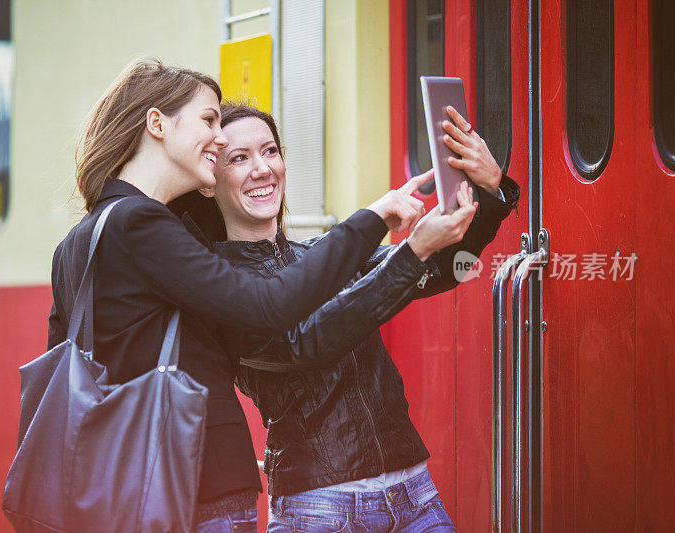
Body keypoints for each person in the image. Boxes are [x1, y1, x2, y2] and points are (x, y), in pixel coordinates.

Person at [46, 59, 427, 532]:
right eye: (208, 120)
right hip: (195, 484)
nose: (220, 137)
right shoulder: (140, 223)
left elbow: (66, 366)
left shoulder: (76, 244)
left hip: (120, 488)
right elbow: (269, 309)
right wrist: (372, 221)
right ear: (157, 123)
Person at [191, 103, 520, 531]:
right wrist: (411, 252)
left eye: (270, 151)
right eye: (239, 158)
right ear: (208, 183)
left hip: (415, 495)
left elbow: (443, 271)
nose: (262, 168)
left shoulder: (322, 254)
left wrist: (489, 192)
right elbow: (306, 340)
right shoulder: (216, 283)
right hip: (319, 509)